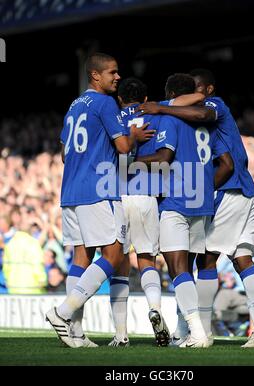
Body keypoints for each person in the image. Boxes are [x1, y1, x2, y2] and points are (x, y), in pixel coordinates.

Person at [137, 68, 254, 348]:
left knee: (203, 261)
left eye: (197, 91)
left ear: (208, 90)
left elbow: (219, 156)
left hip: (227, 191)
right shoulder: (207, 123)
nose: (193, 98)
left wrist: (161, 108)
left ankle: (202, 330)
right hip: (245, 190)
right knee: (242, 259)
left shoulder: (212, 107)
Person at [45, 52, 153, 348]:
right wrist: (133, 136)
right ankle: (62, 312)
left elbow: (66, 153)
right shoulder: (105, 103)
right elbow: (121, 147)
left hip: (70, 191)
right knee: (115, 256)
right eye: (112, 73)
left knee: (81, 258)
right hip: (98, 190)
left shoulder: (74, 105)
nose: (118, 77)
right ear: (95, 75)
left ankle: (76, 333)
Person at [136, 73, 233, 348]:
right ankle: (184, 330)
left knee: (178, 269)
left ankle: (199, 333)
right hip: (202, 202)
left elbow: (164, 158)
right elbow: (226, 162)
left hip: (177, 199)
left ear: (170, 94)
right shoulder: (207, 122)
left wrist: (130, 162)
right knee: (187, 269)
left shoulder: (170, 117)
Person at [108, 77, 170, 347]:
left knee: (118, 264)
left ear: (120, 99)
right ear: (146, 99)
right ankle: (154, 308)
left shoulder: (112, 117)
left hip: (117, 195)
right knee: (147, 260)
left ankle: (121, 334)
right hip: (146, 195)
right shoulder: (156, 116)